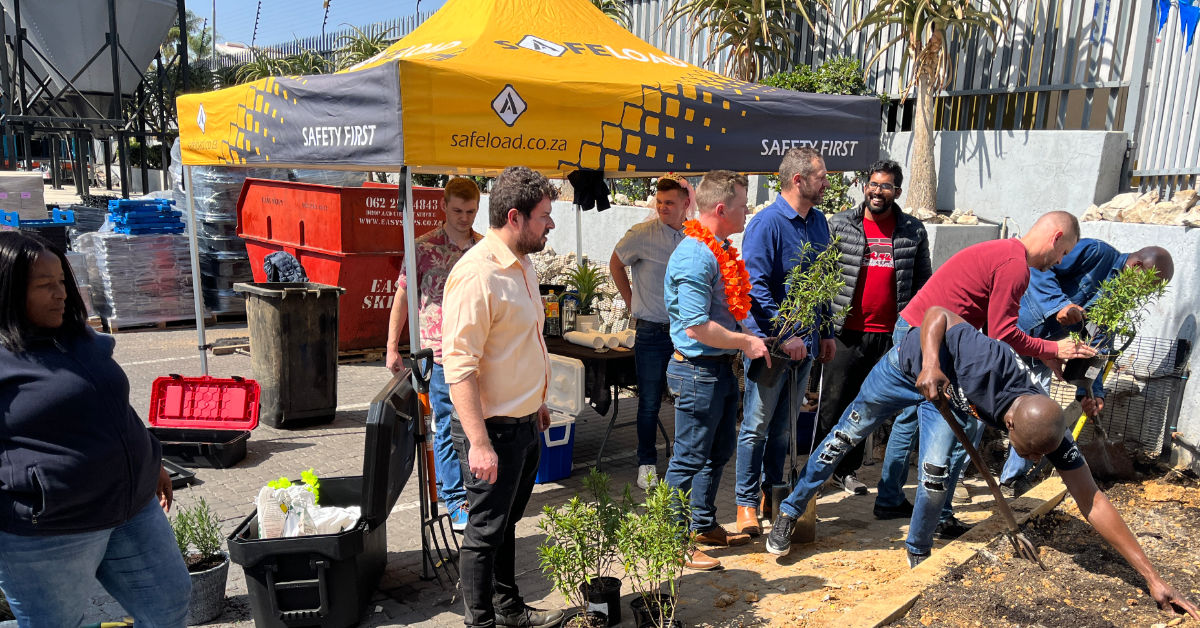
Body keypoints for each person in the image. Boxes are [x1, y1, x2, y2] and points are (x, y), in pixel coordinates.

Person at [764, 307, 1200, 625]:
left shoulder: (1047, 425)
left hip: (944, 403)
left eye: (1035, 457)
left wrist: (1152, 577)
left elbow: (1092, 499)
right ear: (1008, 423)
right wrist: (932, 366)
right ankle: (787, 513)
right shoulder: (984, 361)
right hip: (906, 369)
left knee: (934, 479)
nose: (1030, 462)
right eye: (1025, 453)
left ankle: (919, 557)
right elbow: (938, 315)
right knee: (843, 438)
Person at [0, 231, 191, 627]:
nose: (62, 294)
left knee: (169, 607)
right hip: (52, 530)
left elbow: (111, 405)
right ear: (8, 291)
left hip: (133, 508)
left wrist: (150, 458)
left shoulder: (77, 337)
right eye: (45, 285)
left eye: (62, 282)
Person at [874, 211, 1096, 540]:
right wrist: (1054, 348)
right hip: (931, 339)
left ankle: (892, 498)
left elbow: (992, 331)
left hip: (914, 328)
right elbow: (1005, 333)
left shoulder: (1005, 252)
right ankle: (939, 517)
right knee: (957, 426)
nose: (1059, 262)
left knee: (910, 420)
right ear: (1056, 237)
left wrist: (1045, 358)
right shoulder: (1016, 266)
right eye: (1063, 253)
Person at [441, 166, 563, 628]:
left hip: (525, 424)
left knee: (506, 524)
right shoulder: (477, 276)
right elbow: (460, 369)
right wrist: (478, 442)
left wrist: (537, 401)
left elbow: (522, 343)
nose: (550, 224)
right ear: (515, 217)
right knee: (485, 531)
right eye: (545, 216)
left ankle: (509, 610)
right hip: (491, 431)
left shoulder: (523, 264)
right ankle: (481, 622)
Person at [1000, 240, 1175, 488]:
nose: (1141, 295)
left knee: (1033, 415)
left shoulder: (1118, 298)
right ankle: (957, 474)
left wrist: (1091, 390)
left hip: (1046, 355)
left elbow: (1099, 341)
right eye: (1145, 286)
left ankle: (1012, 479)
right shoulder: (1095, 253)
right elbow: (1040, 267)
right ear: (1135, 266)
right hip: (1013, 333)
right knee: (977, 408)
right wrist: (1059, 305)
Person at [663, 170, 770, 570]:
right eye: (743, 205)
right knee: (689, 458)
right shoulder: (695, 254)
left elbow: (724, 313)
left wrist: (747, 334)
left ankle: (703, 524)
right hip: (696, 370)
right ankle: (672, 540)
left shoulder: (719, 248)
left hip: (718, 369)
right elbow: (696, 325)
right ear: (722, 209)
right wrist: (745, 342)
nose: (748, 212)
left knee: (718, 451)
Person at [734, 146, 836, 537]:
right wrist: (786, 334)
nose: (827, 182)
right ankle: (745, 503)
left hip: (806, 346)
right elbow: (755, 287)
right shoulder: (767, 224)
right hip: (773, 347)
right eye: (821, 176)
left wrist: (824, 331)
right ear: (798, 180)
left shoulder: (819, 222)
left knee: (783, 428)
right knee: (757, 426)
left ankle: (770, 492)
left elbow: (822, 282)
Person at [816, 159, 931, 496]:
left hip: (890, 336)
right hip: (845, 333)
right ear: (864, 186)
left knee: (866, 407)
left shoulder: (913, 231)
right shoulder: (840, 225)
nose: (877, 191)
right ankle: (819, 470)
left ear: (896, 191)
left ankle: (846, 472)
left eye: (885, 186)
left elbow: (923, 284)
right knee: (833, 404)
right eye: (873, 184)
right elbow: (822, 276)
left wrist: (914, 329)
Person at [385, 177, 483, 530]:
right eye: (457, 211)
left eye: (471, 211)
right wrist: (392, 345)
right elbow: (402, 296)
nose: (464, 218)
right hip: (438, 355)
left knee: (474, 425)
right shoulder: (423, 247)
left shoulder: (483, 248)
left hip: (475, 354)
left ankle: (474, 492)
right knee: (445, 425)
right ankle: (454, 498)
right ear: (444, 207)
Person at [609, 175, 693, 489]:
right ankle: (646, 463)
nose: (662, 208)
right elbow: (615, 264)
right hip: (651, 332)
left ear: (686, 204)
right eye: (659, 202)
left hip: (686, 333)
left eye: (669, 203)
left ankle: (684, 462)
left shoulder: (696, 238)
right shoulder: (641, 234)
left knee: (687, 399)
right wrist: (632, 302)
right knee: (648, 403)